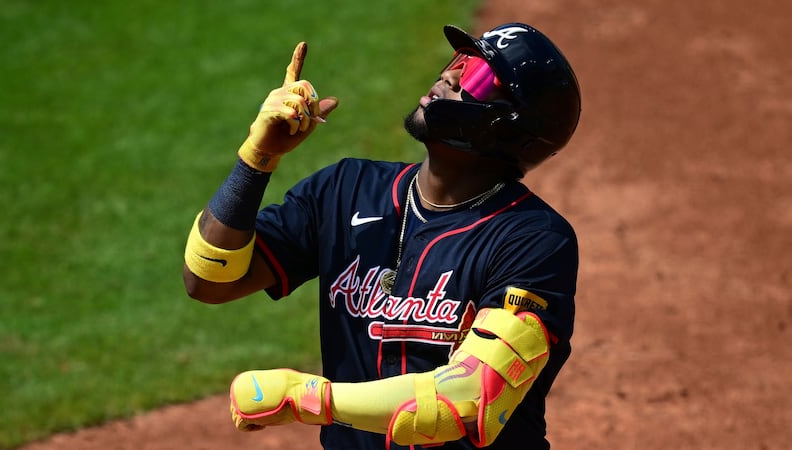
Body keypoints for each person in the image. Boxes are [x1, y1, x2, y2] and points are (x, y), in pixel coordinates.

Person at [183, 22, 581, 450]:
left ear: (507, 126)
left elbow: (466, 398)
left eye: (478, 76)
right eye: (458, 61)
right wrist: (257, 157)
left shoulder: (534, 240)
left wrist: (308, 398)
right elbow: (210, 279)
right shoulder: (345, 189)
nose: (449, 75)